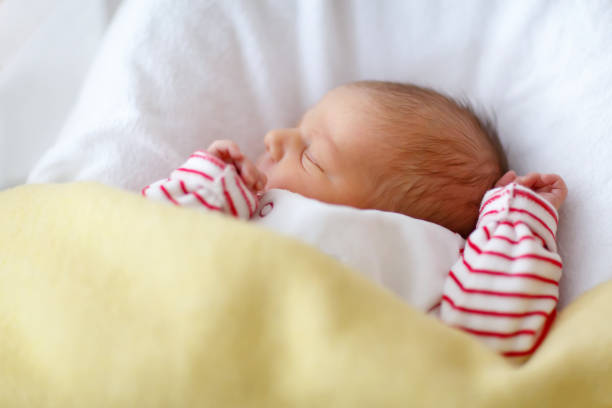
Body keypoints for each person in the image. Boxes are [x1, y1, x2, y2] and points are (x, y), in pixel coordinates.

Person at [142, 81, 567, 358]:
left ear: (383, 217)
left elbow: (496, 330)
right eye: (297, 128)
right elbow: (152, 243)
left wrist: (514, 219)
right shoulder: (243, 208)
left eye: (310, 153)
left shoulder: (434, 259)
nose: (274, 139)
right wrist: (213, 184)